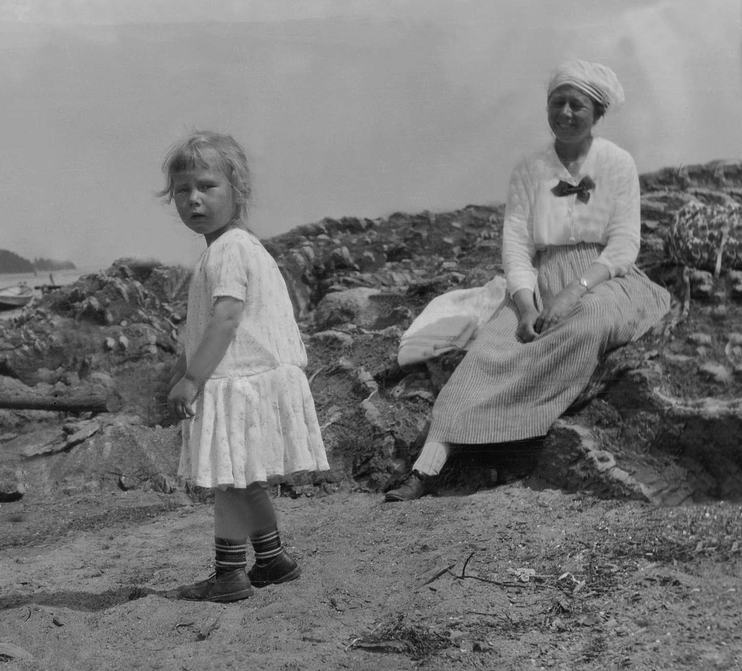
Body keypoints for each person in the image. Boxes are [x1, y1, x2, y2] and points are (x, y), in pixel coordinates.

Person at [386, 60, 671, 501]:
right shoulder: (529, 169)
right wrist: (525, 305)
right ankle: (428, 467)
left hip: (605, 277)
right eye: (558, 102)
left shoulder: (618, 164)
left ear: (597, 114)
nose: (566, 113)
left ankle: (515, 440)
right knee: (492, 348)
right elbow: (517, 246)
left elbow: (624, 245)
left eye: (578, 105)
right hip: (542, 278)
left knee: (588, 322)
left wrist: (575, 291)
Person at [159, 131, 330, 602]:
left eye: (207, 186)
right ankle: (272, 559)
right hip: (248, 377)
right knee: (246, 476)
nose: (193, 199)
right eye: (182, 191)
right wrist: (184, 365)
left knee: (230, 483)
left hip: (242, 382)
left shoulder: (230, 249)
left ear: (237, 189)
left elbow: (228, 318)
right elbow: (208, 324)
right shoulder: (228, 248)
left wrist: (194, 379)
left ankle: (230, 573)